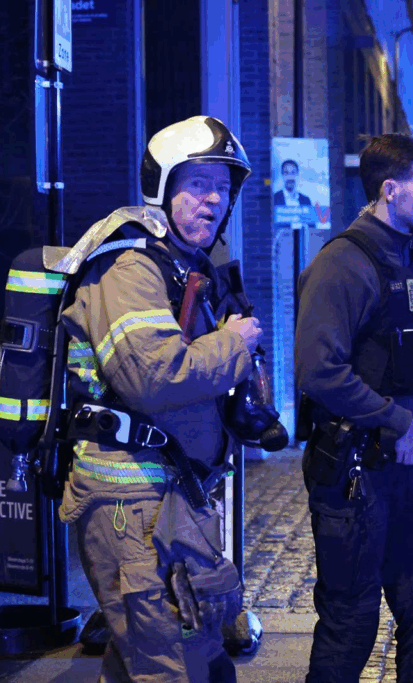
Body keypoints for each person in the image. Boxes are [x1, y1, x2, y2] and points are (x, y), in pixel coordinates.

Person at [58, 116, 264, 682]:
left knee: (152, 661)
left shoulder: (181, 266)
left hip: (165, 495)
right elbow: (153, 379)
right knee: (175, 663)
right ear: (162, 186)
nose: (213, 199)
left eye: (222, 187)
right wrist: (233, 342)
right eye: (197, 184)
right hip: (133, 505)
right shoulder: (130, 270)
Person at [295, 133, 413, 683]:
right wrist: (394, 418)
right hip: (354, 473)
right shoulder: (343, 263)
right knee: (351, 622)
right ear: (390, 190)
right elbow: (318, 371)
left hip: (408, 472)